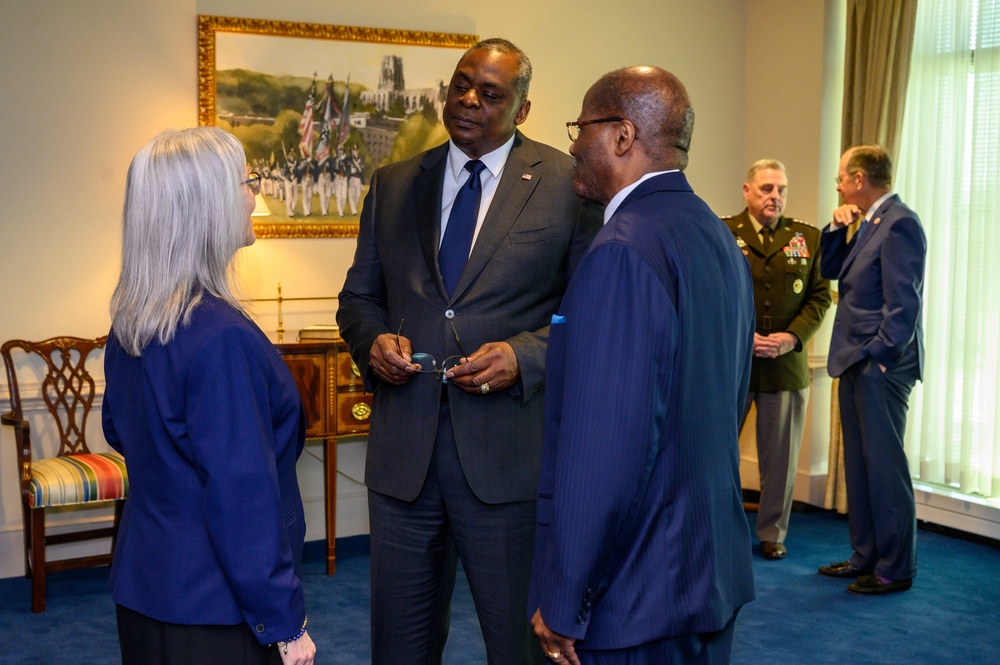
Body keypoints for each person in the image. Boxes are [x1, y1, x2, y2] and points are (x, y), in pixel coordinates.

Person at [336, 38, 602, 664]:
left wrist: (526, 355)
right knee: (400, 648)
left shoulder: (568, 183)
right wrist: (372, 340)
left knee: (518, 646)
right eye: (461, 84)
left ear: (524, 109)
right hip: (405, 460)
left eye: (490, 93)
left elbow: (591, 312)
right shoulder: (396, 182)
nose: (468, 101)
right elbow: (356, 299)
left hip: (508, 460)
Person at [528, 66, 756, 664]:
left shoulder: (622, 252)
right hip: (706, 578)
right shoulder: (715, 235)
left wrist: (565, 596)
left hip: (635, 599)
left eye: (581, 127)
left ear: (623, 136)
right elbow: (728, 399)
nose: (572, 143)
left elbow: (605, 451)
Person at [102, 127, 316, 665]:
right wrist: (286, 623)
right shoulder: (221, 336)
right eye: (246, 181)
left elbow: (120, 432)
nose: (253, 195)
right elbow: (242, 498)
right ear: (209, 206)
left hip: (146, 585)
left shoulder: (132, 322)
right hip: (217, 606)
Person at [817, 144, 926, 595]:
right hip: (855, 360)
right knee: (860, 467)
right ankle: (865, 556)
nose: (839, 185)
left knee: (884, 469)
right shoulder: (867, 222)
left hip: (880, 364)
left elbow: (904, 303)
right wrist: (834, 228)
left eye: (842, 177)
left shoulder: (900, 223)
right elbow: (830, 269)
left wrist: (880, 355)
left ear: (860, 179)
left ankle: (895, 569)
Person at [722, 159, 831, 560]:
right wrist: (738, 333)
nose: (775, 196)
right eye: (767, 188)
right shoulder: (722, 232)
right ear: (747, 191)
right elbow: (712, 290)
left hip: (785, 366)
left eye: (781, 189)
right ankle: (721, 526)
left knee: (781, 460)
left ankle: (772, 533)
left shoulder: (807, 237)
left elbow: (820, 296)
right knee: (719, 452)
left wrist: (791, 338)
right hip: (735, 363)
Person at [345, 143, 365, 215]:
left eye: (356, 150)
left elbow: (362, 171)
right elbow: (346, 169)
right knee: (351, 195)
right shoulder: (349, 160)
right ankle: (354, 211)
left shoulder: (361, 161)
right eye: (354, 150)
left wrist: (363, 182)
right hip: (351, 178)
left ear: (358, 151)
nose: (355, 152)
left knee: (358, 195)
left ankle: (354, 208)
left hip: (358, 179)